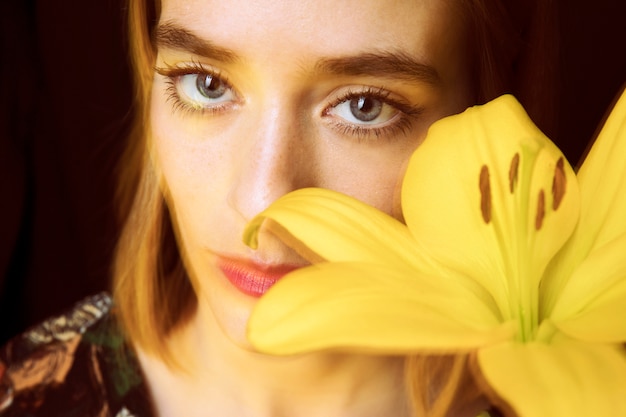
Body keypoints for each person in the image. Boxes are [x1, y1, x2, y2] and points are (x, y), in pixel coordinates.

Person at [0, 0, 559, 416]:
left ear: (486, 113)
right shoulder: (29, 395)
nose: (262, 202)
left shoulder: (575, 397)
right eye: (206, 84)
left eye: (364, 107)